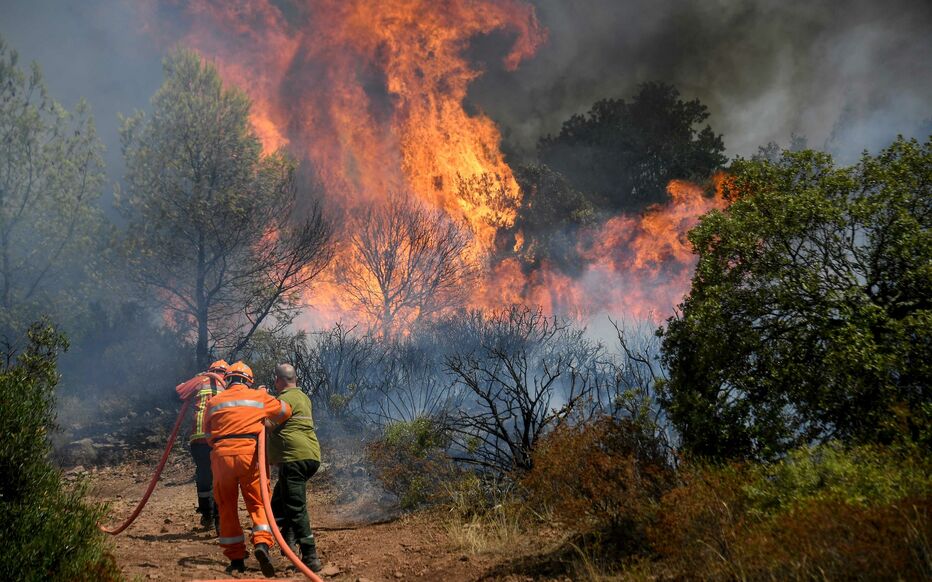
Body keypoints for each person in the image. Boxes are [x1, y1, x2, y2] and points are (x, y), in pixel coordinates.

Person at [205, 361, 292, 577]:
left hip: (221, 456)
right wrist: (266, 415)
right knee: (258, 502)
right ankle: (262, 544)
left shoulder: (213, 401)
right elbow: (285, 411)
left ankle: (236, 560)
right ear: (248, 381)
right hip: (250, 454)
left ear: (228, 379)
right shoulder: (258, 396)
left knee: (226, 505)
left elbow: (208, 435)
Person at [267, 363, 324, 572]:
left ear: (279, 381)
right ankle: (288, 540)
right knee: (278, 504)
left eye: (275, 380)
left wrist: (257, 405)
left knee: (296, 508)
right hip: (311, 456)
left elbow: (267, 425)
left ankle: (310, 556)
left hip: (294, 459)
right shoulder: (304, 398)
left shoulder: (284, 400)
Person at [175, 359, 228, 530]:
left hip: (199, 438)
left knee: (204, 474)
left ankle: (207, 515)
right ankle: (221, 518)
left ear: (210, 370)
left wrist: (194, 379)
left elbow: (178, 392)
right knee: (221, 477)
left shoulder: (200, 381)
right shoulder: (229, 385)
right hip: (221, 439)